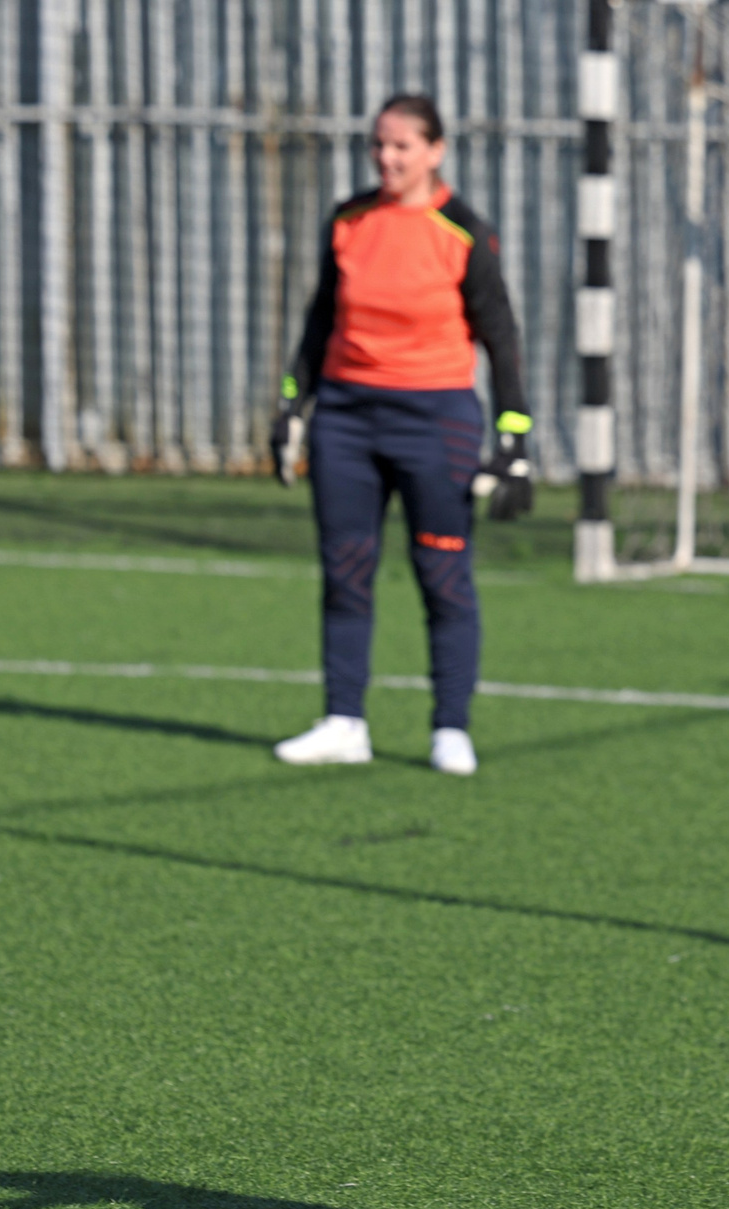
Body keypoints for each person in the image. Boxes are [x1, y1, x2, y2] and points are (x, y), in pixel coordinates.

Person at [268, 93, 532, 778]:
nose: (387, 158)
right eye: (378, 146)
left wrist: (515, 438)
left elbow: (501, 338)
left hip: (435, 421)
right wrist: (293, 405)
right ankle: (343, 720)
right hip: (348, 421)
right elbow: (320, 319)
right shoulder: (349, 221)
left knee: (442, 576)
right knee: (345, 570)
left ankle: (450, 725)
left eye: (402, 146)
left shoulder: (463, 232)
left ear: (435, 152)